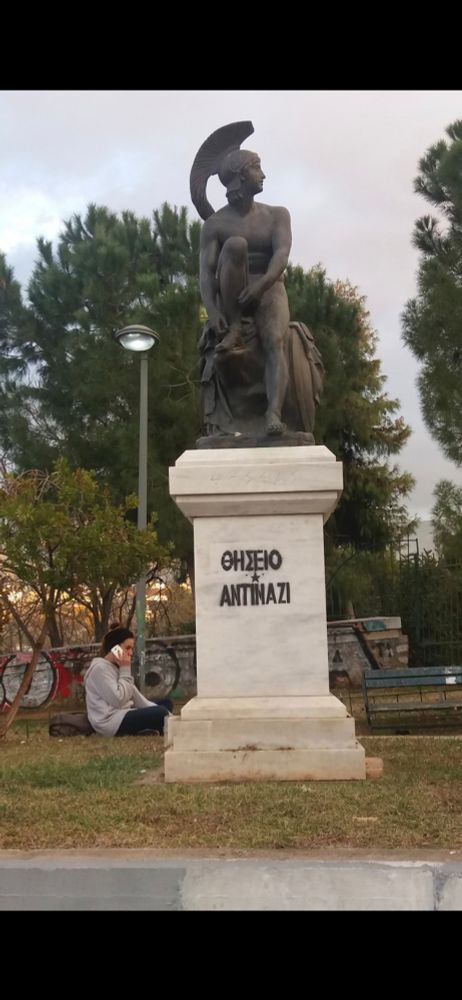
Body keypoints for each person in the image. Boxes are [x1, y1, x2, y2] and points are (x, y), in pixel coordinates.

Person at [191, 122, 292, 437]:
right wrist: (215, 312)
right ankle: (235, 329)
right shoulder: (216, 224)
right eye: (256, 168)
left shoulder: (277, 214)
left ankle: (273, 413)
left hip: (269, 285)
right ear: (239, 175)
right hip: (233, 292)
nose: (263, 175)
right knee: (235, 245)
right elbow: (207, 274)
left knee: (275, 339)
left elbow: (281, 256)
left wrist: (261, 286)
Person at [84, 624, 172, 737]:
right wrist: (125, 668)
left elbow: (137, 698)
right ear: (115, 649)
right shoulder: (100, 669)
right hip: (110, 722)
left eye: (132, 649)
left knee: (165, 704)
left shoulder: (115, 667)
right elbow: (118, 700)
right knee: (161, 713)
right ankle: (151, 727)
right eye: (127, 648)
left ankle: (148, 728)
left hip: (124, 713)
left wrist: (167, 714)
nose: (130, 653)